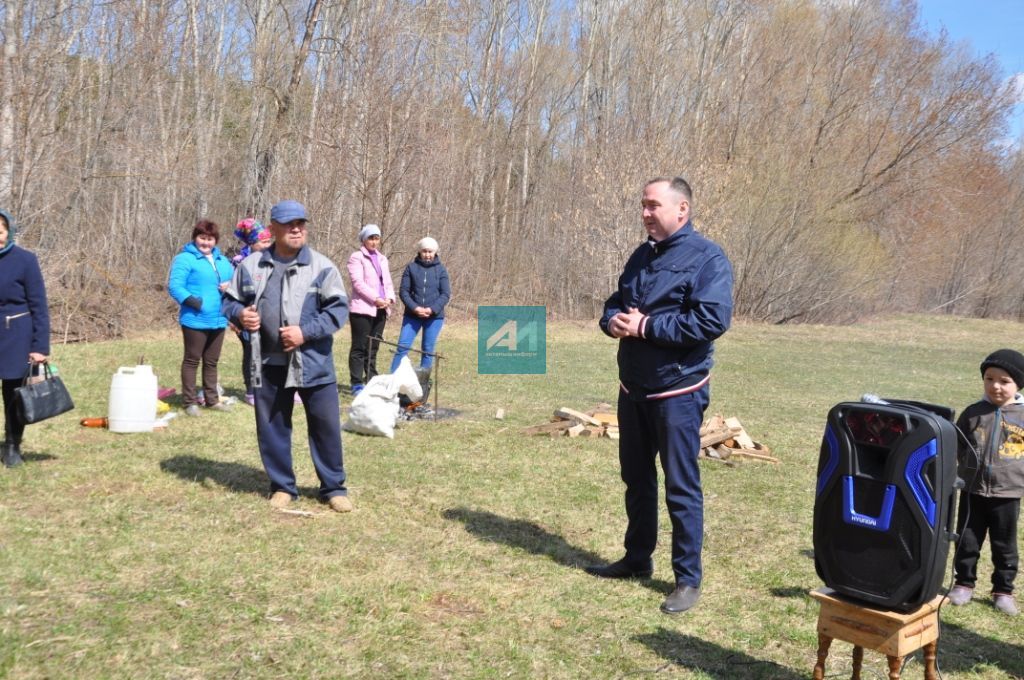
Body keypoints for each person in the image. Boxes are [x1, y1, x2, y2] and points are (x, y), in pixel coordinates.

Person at [587, 176, 733, 615]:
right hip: (633, 386)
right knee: (636, 478)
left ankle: (687, 579)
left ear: (681, 209)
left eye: (653, 205)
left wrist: (646, 327)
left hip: (678, 390)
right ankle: (637, 559)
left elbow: (711, 320)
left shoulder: (708, 258)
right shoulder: (641, 255)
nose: (646, 212)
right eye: (643, 205)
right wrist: (611, 320)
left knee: (681, 486)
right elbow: (617, 301)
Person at [221, 200, 353, 512]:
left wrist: (304, 333)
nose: (297, 229)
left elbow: (338, 310)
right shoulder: (252, 266)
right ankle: (282, 486)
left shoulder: (322, 267)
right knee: (272, 428)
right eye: (289, 224)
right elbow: (229, 302)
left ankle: (333, 488)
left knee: (325, 427)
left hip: (314, 363)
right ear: (274, 229)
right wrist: (242, 314)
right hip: (267, 363)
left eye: (301, 224)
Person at [947, 349, 1024, 616]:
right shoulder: (973, 413)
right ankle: (963, 584)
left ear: (1018, 385)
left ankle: (1003, 591)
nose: (995, 386)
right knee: (967, 541)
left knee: (1005, 546)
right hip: (972, 490)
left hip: (1008, 493)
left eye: (1004, 381)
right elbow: (955, 445)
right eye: (989, 379)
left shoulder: (1022, 417)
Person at [167, 220, 235, 416]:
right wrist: (195, 303)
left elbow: (235, 283)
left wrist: (229, 287)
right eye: (202, 238)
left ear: (216, 240)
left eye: (210, 239)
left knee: (212, 362)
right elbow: (175, 286)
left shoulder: (223, 261)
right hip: (195, 319)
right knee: (192, 360)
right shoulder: (185, 259)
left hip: (219, 319)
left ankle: (212, 400)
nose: (206, 242)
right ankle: (189, 402)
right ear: (195, 237)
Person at [0, 209, 49, 468]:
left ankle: (12, 445)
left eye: (0, 231)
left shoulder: (25, 261)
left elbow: (39, 305)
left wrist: (40, 346)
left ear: (9, 233)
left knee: (13, 394)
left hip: (15, 336)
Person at [389, 237, 450, 374]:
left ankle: (423, 383)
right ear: (420, 251)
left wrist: (431, 309)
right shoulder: (411, 268)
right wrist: (415, 308)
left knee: (427, 350)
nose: (427, 254)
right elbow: (404, 291)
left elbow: (445, 294)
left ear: (435, 252)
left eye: (430, 251)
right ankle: (393, 380)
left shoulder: (441, 270)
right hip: (412, 316)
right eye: (424, 251)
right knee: (402, 347)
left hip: (434, 317)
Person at [346, 223, 395, 395]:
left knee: (373, 347)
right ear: (364, 239)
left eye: (376, 238)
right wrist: (376, 299)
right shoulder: (356, 257)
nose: (374, 242)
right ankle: (357, 383)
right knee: (359, 347)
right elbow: (358, 283)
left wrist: (389, 298)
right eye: (370, 238)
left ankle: (372, 380)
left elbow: (387, 282)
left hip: (382, 309)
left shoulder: (382, 259)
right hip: (363, 309)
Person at [231, 218, 273, 406]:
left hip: (268, 316)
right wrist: (234, 320)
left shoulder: (272, 259)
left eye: (268, 241)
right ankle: (251, 390)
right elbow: (231, 295)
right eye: (262, 242)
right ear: (251, 243)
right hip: (246, 317)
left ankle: (270, 387)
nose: (267, 245)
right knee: (251, 352)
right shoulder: (240, 262)